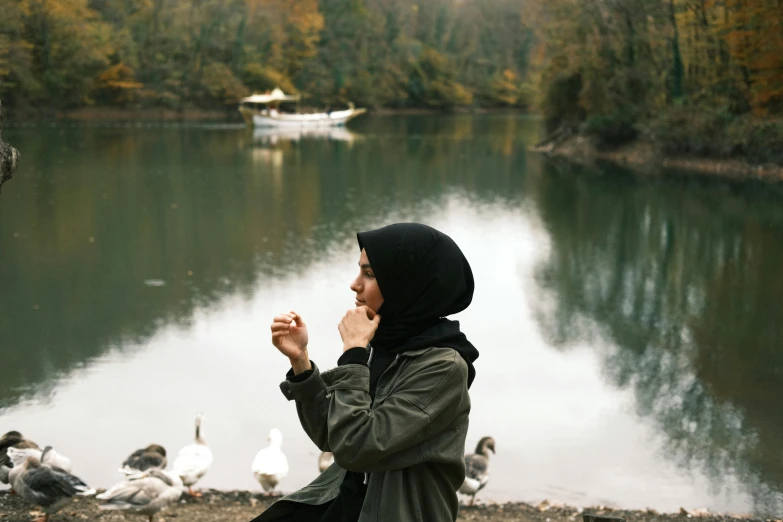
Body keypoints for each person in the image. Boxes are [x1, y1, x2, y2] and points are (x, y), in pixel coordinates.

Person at [253, 223, 479, 522]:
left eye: (370, 274)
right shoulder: (384, 343)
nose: (355, 284)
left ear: (406, 284)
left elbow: (356, 447)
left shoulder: (443, 367)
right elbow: (331, 437)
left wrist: (354, 353)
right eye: (360, 270)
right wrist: (301, 362)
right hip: (349, 505)